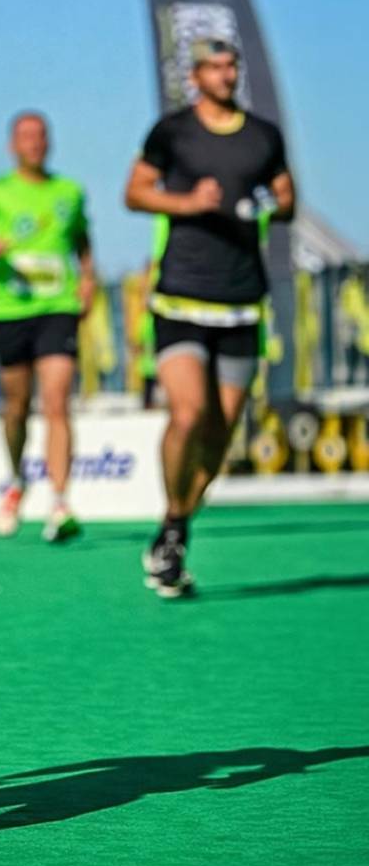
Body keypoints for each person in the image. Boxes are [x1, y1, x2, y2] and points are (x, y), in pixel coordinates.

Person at [124, 38, 295, 597]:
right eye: (216, 67)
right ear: (195, 75)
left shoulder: (262, 136)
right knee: (189, 414)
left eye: (232, 66)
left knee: (220, 435)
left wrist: (278, 201)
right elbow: (136, 193)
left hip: (243, 300)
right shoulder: (172, 131)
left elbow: (285, 194)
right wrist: (188, 203)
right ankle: (174, 527)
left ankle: (175, 526)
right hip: (182, 297)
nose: (227, 75)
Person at [0, 112, 94, 542]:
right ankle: (17, 480)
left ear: (48, 143)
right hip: (9, 310)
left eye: (40, 137)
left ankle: (61, 501)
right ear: (13, 145)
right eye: (26, 138)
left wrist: (87, 278)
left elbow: (82, 242)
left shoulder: (69, 192)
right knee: (16, 406)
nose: (34, 144)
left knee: (56, 401)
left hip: (58, 307)